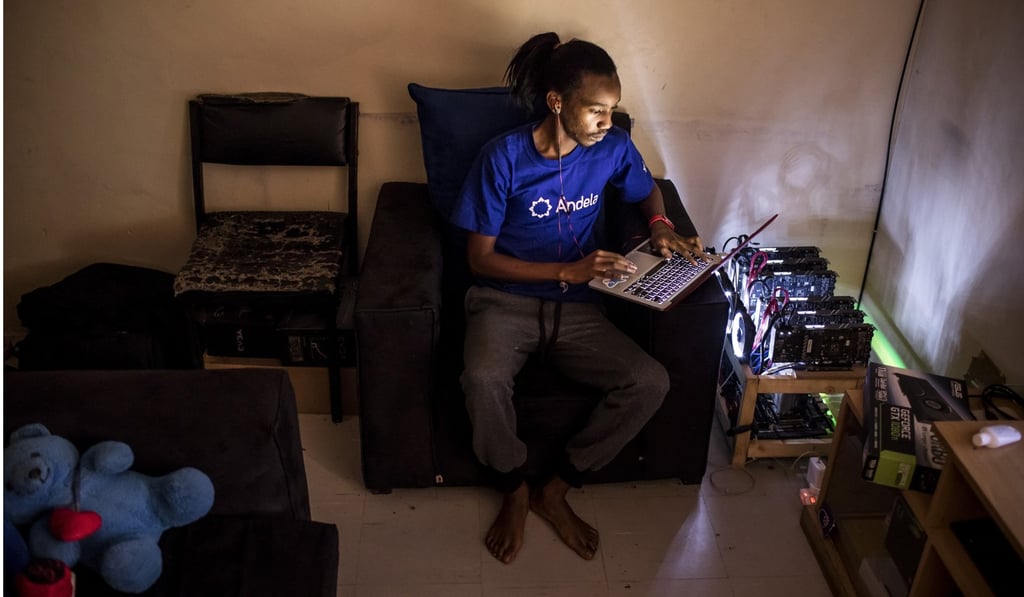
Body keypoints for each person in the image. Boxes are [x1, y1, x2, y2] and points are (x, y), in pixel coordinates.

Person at [449, 32, 708, 564]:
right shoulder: (502, 159)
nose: (606, 123)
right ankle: (515, 487)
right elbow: (479, 259)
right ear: (557, 102)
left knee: (649, 381)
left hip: (580, 309)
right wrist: (568, 269)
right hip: (504, 299)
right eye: (595, 110)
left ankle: (557, 488)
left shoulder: (611, 148)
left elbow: (648, 188)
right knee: (481, 379)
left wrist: (659, 226)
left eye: (612, 110)